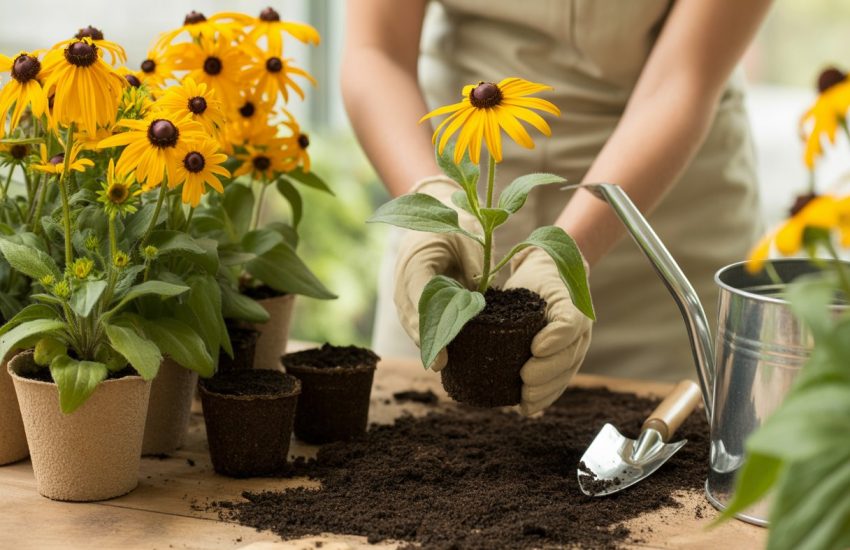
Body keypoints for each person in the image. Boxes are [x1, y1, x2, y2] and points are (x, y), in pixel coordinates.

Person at [342, 0, 772, 415]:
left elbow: (682, 80)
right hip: (458, 187)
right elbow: (375, 51)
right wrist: (432, 199)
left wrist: (563, 254)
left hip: (655, 240)